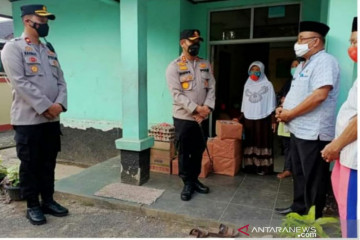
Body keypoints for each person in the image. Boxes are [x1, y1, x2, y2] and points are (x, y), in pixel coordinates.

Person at [1, 5, 68, 225]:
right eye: (43, 20)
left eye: (47, 21)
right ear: (28, 21)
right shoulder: (13, 48)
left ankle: (48, 200)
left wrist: (59, 104)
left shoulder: (49, 49)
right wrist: (46, 106)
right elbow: (19, 82)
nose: (46, 25)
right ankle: (32, 205)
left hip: (52, 119)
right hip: (29, 120)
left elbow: (61, 81)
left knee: (49, 162)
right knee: (30, 164)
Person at [275, 21, 340, 219]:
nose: (298, 42)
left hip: (313, 132)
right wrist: (283, 108)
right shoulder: (305, 64)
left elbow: (320, 95)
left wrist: (290, 113)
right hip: (299, 129)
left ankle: (313, 216)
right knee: (300, 172)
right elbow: (299, 93)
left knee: (314, 177)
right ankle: (299, 207)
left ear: (316, 42)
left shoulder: (325, 62)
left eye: (302, 39)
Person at [166, 29, 215, 201]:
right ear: (182, 43)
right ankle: (187, 183)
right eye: (192, 41)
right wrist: (196, 109)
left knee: (198, 150)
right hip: (184, 118)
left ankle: (194, 180)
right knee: (185, 152)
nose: (196, 45)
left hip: (202, 118)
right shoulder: (173, 67)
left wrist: (207, 108)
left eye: (198, 42)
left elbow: (212, 88)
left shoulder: (205, 64)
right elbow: (176, 94)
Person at [321, 17, 357, 238]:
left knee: (352, 215)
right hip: (347, 156)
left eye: (355, 41)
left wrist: (335, 146)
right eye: (350, 42)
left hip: (354, 159)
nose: (351, 48)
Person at [235, 61, 276, 175]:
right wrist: (240, 118)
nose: (254, 72)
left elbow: (272, 103)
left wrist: (273, 119)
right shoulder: (247, 85)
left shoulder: (268, 85)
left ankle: (263, 167)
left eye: (257, 70)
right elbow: (245, 104)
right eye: (252, 70)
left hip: (263, 118)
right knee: (250, 141)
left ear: (262, 71)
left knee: (261, 141)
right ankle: (250, 166)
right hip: (249, 119)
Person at [276, 59, 299, 179]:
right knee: (287, 145)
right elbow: (281, 96)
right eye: (292, 66)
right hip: (285, 116)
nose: (294, 68)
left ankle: (291, 169)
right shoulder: (289, 82)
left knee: (295, 146)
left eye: (297, 65)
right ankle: (288, 168)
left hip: (296, 117)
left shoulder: (302, 83)